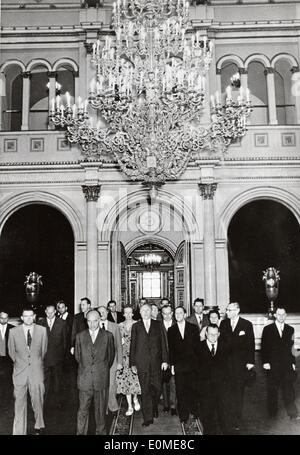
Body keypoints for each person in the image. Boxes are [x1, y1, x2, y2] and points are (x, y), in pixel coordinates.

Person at [8, 307, 48, 435]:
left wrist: (35, 363)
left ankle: (39, 425)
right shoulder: (13, 332)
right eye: (26, 316)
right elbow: (11, 352)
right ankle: (19, 432)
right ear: (21, 317)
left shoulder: (42, 331)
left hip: (36, 372)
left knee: (38, 401)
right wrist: (21, 363)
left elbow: (43, 351)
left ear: (34, 316)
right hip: (20, 373)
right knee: (19, 404)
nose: (29, 318)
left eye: (31, 316)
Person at [75, 310, 115, 435]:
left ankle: (101, 433)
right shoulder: (80, 336)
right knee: (82, 410)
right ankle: (80, 433)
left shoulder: (108, 336)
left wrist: (100, 370)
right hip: (84, 379)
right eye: (89, 321)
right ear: (86, 321)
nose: (92, 324)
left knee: (100, 411)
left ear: (99, 320)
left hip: (101, 379)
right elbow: (78, 357)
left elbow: (110, 357)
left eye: (95, 321)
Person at [129, 303, 168, 426]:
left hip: (157, 364)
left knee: (157, 388)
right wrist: (132, 363)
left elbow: (163, 343)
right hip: (142, 364)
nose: (145, 312)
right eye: (143, 310)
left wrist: (165, 360)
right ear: (139, 312)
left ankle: (154, 406)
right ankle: (148, 418)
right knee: (145, 390)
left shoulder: (158, 325)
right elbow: (133, 345)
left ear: (151, 311)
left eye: (147, 310)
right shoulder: (136, 326)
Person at [219, 302, 255, 430]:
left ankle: (236, 419)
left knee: (238, 392)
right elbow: (221, 344)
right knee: (226, 392)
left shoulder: (246, 324)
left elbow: (251, 344)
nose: (227, 312)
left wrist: (251, 362)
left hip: (240, 366)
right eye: (227, 309)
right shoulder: (223, 324)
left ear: (237, 311)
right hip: (226, 365)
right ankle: (227, 417)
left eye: (229, 310)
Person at [261, 307, 300, 421]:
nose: (281, 316)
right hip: (272, 365)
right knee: (273, 390)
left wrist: (293, 363)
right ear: (275, 315)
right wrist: (265, 362)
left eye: (283, 314)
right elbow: (264, 347)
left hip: (287, 365)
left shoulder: (290, 329)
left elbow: (292, 348)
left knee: (289, 390)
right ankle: (272, 414)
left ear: (286, 315)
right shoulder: (267, 329)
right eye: (279, 314)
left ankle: (293, 413)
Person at [168, 306, 200, 424]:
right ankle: (183, 415)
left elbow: (197, 347)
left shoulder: (193, 328)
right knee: (180, 390)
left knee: (193, 388)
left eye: (180, 313)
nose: (178, 315)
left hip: (192, 364)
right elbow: (171, 350)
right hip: (179, 365)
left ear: (185, 314)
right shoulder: (171, 330)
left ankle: (195, 411)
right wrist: (172, 366)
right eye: (176, 313)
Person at [198, 324, 230, 434]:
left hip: (222, 386)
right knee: (207, 412)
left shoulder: (225, 346)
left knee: (223, 412)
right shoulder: (199, 347)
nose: (213, 337)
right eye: (211, 334)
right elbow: (195, 368)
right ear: (206, 334)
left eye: (216, 334)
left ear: (219, 334)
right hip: (205, 386)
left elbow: (228, 366)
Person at [38, 304, 67, 404]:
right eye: (48, 312)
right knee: (44, 382)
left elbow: (64, 342)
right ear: (45, 312)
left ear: (55, 312)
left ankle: (57, 403)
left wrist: (62, 358)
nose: (50, 314)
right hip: (44, 358)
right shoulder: (40, 323)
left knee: (57, 382)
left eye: (52, 312)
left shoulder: (62, 323)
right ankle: (44, 403)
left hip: (57, 359)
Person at [116, 306, 141, 416]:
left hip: (135, 356)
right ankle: (130, 406)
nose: (128, 315)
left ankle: (135, 398)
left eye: (130, 313)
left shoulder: (138, 324)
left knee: (135, 379)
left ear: (133, 314)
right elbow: (117, 342)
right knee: (126, 381)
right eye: (126, 313)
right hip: (124, 357)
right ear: (123, 314)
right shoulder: (119, 326)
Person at [97, 306, 123, 414]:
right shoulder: (94, 326)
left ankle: (113, 407)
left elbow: (118, 345)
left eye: (104, 312)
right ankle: (103, 408)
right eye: (100, 312)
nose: (102, 314)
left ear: (107, 313)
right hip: (98, 362)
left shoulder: (115, 326)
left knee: (111, 385)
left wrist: (120, 362)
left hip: (112, 361)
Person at [160, 304, 177, 415]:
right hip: (162, 359)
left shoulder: (177, 325)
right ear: (162, 314)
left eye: (169, 313)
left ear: (172, 313)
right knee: (164, 382)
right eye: (164, 314)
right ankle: (166, 405)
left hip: (174, 359)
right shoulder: (158, 325)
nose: (167, 316)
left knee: (174, 383)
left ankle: (173, 406)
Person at [0, 309, 14, 410]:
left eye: (5, 318)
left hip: (8, 361)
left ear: (8, 318)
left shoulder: (13, 329)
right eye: (1, 318)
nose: (3, 320)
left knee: (7, 383)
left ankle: (5, 405)